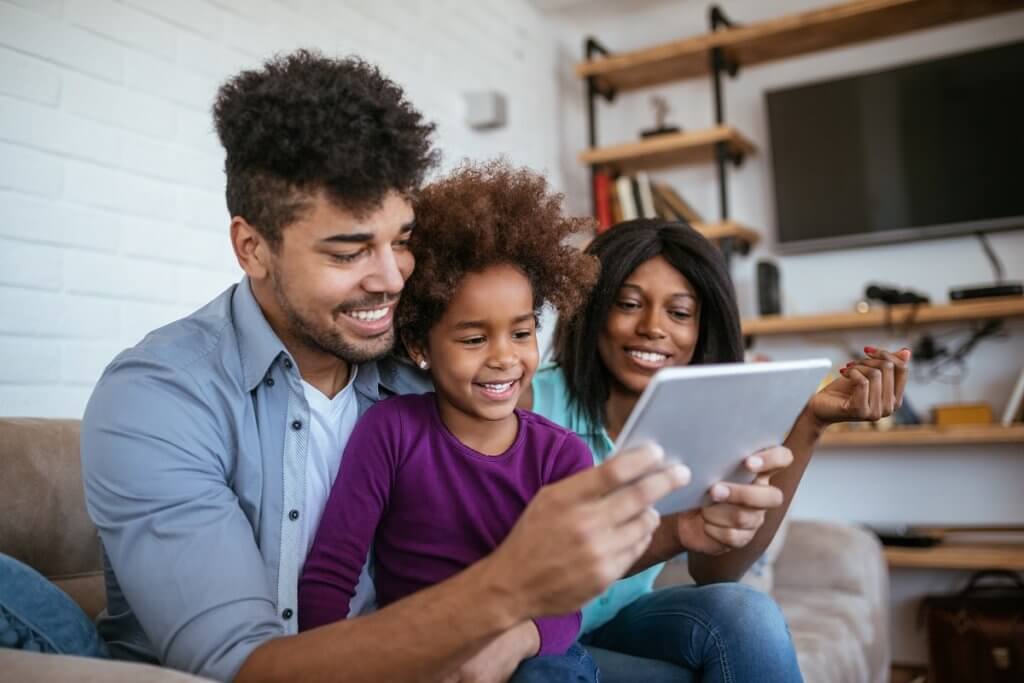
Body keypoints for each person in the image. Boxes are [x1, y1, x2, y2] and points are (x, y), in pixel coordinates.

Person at [67, 51, 691, 683]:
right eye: (349, 252)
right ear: (252, 248)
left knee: (726, 625)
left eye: (400, 241)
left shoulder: (420, 380)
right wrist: (504, 590)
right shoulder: (160, 397)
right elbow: (241, 669)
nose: (393, 279)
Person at [520, 218, 911, 682]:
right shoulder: (528, 403)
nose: (652, 328)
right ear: (592, 308)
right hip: (532, 634)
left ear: (703, 327)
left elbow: (717, 569)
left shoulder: (703, 415)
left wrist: (811, 422)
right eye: (628, 304)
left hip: (615, 623)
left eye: (680, 313)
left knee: (747, 615)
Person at [299, 161, 605, 682]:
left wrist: (513, 643)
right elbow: (330, 575)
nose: (505, 358)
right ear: (420, 346)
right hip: (418, 655)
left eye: (522, 333)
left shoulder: (562, 455)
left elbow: (566, 604)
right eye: (473, 339)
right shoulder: (390, 432)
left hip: (532, 655)